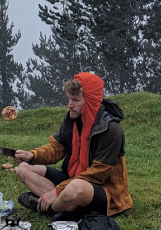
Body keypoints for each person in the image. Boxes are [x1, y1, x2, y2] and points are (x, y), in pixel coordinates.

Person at [14, 72, 132, 220]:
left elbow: (98, 174)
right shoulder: (72, 117)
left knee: (75, 188)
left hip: (104, 190)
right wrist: (33, 155)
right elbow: (57, 148)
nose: (69, 105)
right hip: (73, 178)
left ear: (89, 101)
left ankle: (49, 206)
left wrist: (57, 191)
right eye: (69, 99)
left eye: (75, 100)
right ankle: (64, 206)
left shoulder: (111, 129)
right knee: (23, 169)